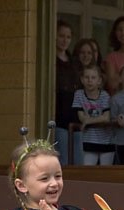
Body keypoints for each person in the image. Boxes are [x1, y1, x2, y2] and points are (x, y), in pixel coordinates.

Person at [73, 65, 113, 165]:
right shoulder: (79, 94)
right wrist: (91, 120)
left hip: (106, 140)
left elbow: (106, 117)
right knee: (88, 171)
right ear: (82, 79)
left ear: (99, 80)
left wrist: (88, 121)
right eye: (87, 77)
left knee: (106, 174)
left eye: (93, 78)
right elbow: (81, 117)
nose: (90, 80)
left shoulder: (104, 95)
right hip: (88, 140)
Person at [54, 20, 80, 165]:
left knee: (78, 160)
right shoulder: (50, 59)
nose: (65, 40)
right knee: (62, 158)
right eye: (61, 36)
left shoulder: (74, 62)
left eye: (68, 37)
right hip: (58, 113)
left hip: (75, 114)